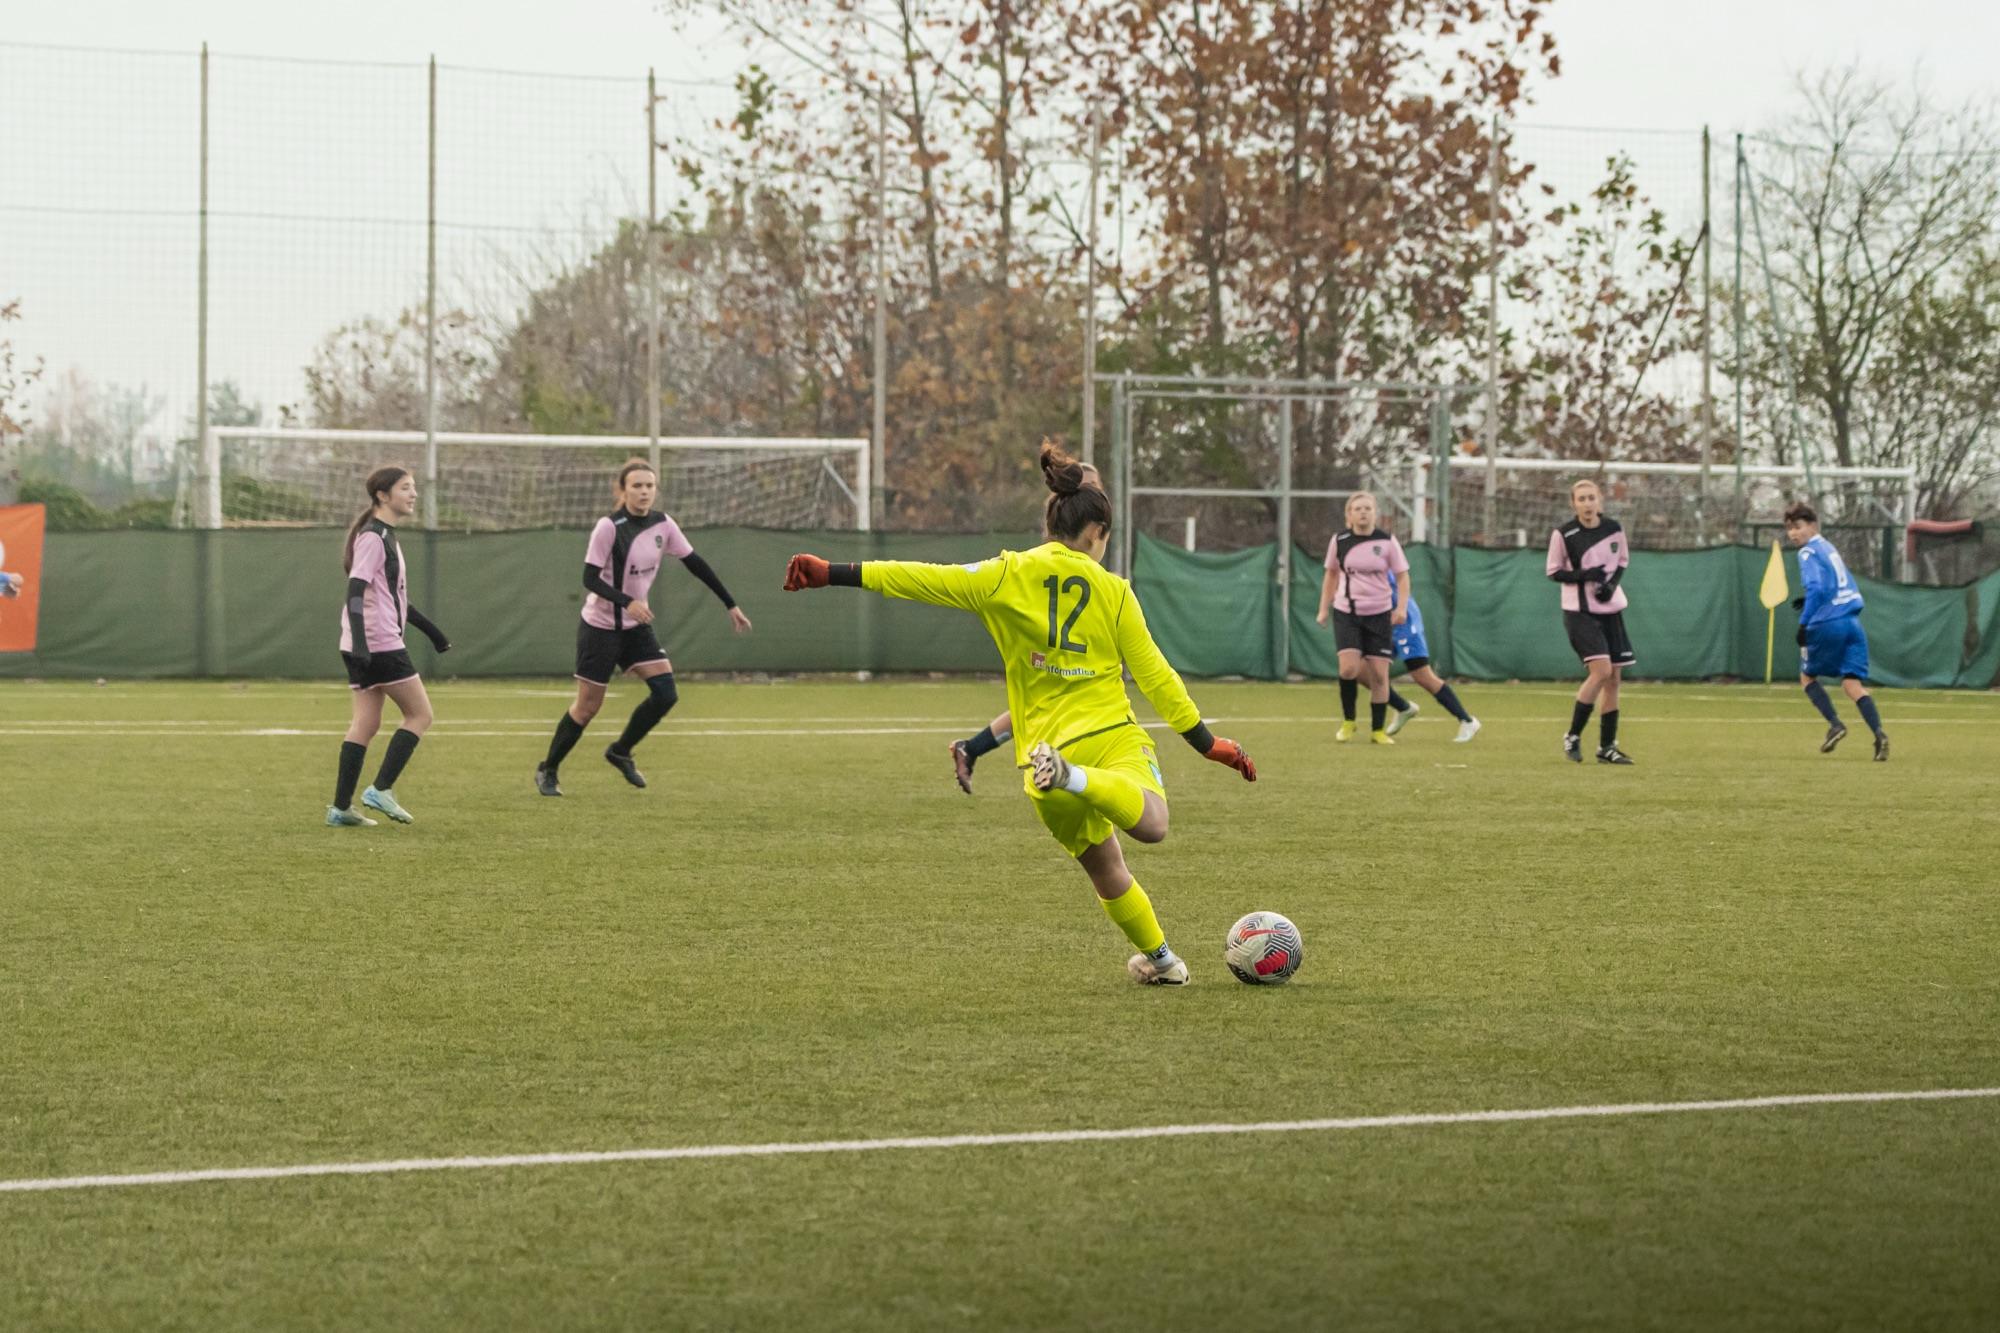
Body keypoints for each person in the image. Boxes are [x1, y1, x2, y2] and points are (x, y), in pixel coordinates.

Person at [785, 438, 1258, 985]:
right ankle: (1080, 779)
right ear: (1097, 534)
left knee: (1107, 870)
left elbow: (921, 577)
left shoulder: (1006, 574)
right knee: (1152, 823)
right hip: (1109, 734)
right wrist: (1207, 743)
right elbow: (1156, 676)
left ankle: (1164, 963)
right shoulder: (1115, 591)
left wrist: (833, 572)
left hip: (1041, 753)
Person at [535, 459, 752, 796]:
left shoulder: (664, 525)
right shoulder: (608, 527)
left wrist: (731, 604)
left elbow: (696, 565)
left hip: (636, 628)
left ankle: (620, 751)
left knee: (666, 692)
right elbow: (589, 579)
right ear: (623, 491)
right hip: (601, 627)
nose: (644, 492)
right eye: (636, 485)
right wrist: (627, 602)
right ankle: (548, 770)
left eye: (650, 486)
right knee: (587, 707)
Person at [948, 461, 1102, 794]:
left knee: (1048, 699)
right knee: (1048, 698)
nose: (1096, 494)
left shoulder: (1095, 533)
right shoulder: (1062, 536)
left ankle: (972, 748)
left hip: (1064, 630)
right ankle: (1071, 774)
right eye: (1091, 486)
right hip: (1041, 627)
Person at [330, 466, 452, 827]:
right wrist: (365, 644)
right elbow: (355, 590)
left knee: (365, 724)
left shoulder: (386, 536)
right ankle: (380, 790)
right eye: (406, 488)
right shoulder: (373, 537)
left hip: (362, 643)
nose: (413, 494)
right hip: (378, 643)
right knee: (420, 715)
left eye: (414, 487)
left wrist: (433, 633)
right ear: (383, 496)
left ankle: (340, 809)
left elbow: (396, 600)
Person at [1786, 502, 1888, 760]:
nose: (1793, 534)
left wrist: (1804, 623)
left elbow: (1817, 588)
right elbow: (1832, 585)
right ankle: (1879, 735)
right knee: (1852, 684)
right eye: (1789, 528)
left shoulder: (1807, 552)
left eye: (1798, 527)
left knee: (1807, 677)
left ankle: (1835, 724)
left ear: (1812, 525)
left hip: (1827, 624)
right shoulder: (1829, 547)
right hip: (1852, 622)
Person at [1547, 477, 1634, 765]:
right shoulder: (1564, 534)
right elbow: (1553, 571)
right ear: (1573, 504)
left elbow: (1621, 562)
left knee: (1614, 679)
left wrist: (1610, 585)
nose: (1587, 503)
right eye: (1581, 499)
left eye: (1591, 498)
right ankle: (1572, 734)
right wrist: (1585, 575)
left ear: (1600, 501)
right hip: (1579, 612)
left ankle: (1607, 747)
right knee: (1601, 671)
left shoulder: (1613, 529)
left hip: (1610, 609)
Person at [1315, 492, 1410, 745]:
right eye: (1357, 508)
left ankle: (1378, 730)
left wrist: (1401, 608)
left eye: (1368, 508)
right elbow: (1331, 576)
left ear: (1375, 513)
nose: (1363, 512)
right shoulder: (1340, 540)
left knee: (1380, 675)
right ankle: (1349, 722)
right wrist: (1324, 609)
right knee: (1348, 669)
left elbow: (1402, 576)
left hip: (1379, 615)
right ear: (1349, 514)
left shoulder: (1387, 541)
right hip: (1347, 613)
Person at [1380, 569, 1481, 742]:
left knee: (1422, 675)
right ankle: (1403, 707)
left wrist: (1401, 610)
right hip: (1382, 623)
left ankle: (1467, 720)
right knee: (1366, 671)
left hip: (1403, 622)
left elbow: (1401, 577)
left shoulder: (1379, 553)